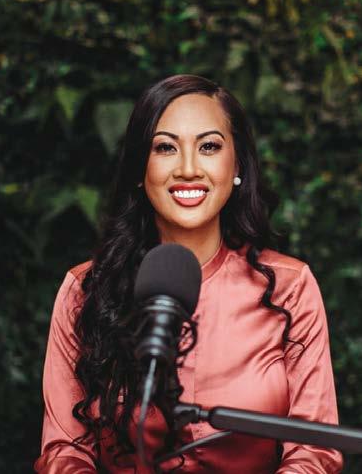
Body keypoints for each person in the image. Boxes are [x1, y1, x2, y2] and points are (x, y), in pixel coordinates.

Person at [35, 74, 343, 473]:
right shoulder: (84, 290)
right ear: (139, 168)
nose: (188, 168)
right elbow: (64, 452)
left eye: (209, 146)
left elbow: (314, 450)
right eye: (165, 147)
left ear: (237, 164)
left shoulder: (290, 287)